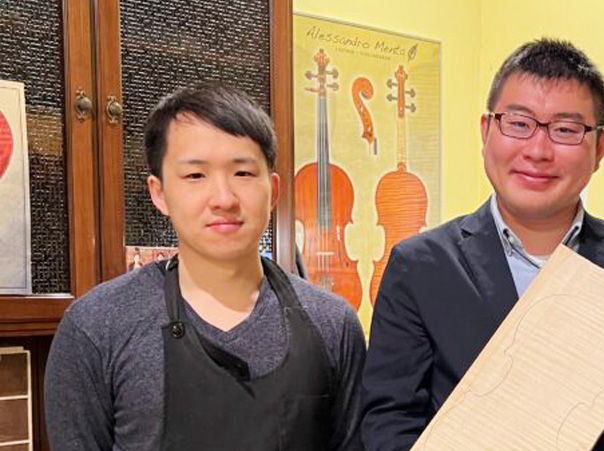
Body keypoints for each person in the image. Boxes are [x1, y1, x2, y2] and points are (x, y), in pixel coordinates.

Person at [361, 38, 604, 450]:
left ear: (600, 148)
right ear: (486, 131)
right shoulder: (419, 266)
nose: (538, 151)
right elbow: (388, 420)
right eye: (519, 124)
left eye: (566, 130)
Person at [44, 83, 365, 450]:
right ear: (159, 193)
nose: (224, 198)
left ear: (274, 191)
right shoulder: (96, 327)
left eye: (243, 173)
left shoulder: (333, 324)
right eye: (195, 176)